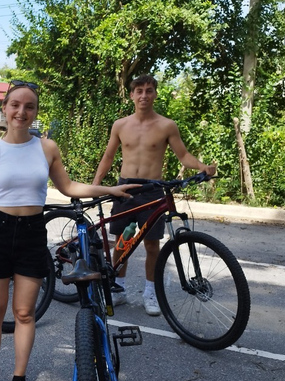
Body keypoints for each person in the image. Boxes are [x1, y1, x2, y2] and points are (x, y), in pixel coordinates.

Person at [0, 81, 137, 381]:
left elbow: (68, 186)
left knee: (24, 313)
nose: (21, 111)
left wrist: (108, 190)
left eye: (29, 106)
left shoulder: (47, 148)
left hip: (32, 233)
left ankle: (19, 377)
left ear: (35, 112)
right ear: (4, 107)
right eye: (15, 104)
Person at [92, 74, 217, 316]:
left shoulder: (166, 125)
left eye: (149, 90)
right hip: (125, 188)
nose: (144, 95)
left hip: (152, 190)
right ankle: (119, 289)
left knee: (152, 245)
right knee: (122, 242)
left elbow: (183, 155)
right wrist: (96, 185)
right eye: (139, 91)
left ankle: (150, 293)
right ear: (131, 95)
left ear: (155, 94)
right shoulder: (120, 125)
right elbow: (108, 157)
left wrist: (201, 166)